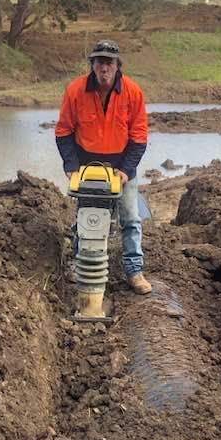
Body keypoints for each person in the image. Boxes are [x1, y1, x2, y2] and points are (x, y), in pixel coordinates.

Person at [55, 39, 152, 294]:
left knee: (130, 217)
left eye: (109, 63)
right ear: (92, 65)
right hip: (87, 165)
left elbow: (139, 135)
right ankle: (80, 264)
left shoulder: (132, 92)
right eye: (99, 63)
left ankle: (134, 270)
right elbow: (64, 130)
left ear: (118, 65)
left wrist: (126, 169)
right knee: (85, 217)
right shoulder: (75, 91)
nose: (104, 69)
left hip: (121, 164)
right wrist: (71, 166)